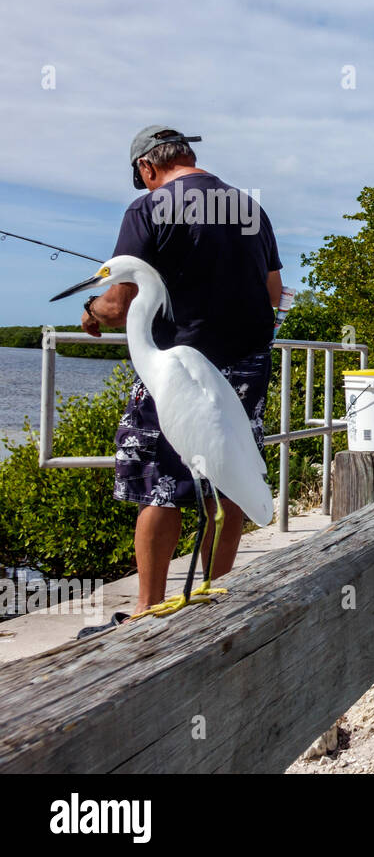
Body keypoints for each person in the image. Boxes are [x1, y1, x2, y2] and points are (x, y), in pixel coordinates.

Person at [77, 126, 281, 626]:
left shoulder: (147, 210)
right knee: (229, 483)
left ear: (149, 167)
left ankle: (148, 612)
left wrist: (90, 312)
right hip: (246, 367)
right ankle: (209, 605)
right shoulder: (250, 208)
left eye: (142, 179)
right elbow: (273, 293)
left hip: (175, 369)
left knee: (158, 486)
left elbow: (120, 302)